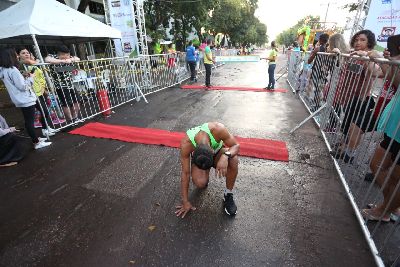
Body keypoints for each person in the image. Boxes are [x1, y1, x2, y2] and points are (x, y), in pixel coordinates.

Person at [330, 30, 382, 163]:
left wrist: (365, 57)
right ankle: (343, 147)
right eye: (357, 39)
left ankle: (349, 154)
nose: (358, 42)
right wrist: (336, 51)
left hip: (361, 99)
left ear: (369, 42)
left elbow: (376, 72)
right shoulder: (353, 54)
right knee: (346, 125)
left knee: (354, 127)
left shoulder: (369, 56)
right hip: (349, 97)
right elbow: (342, 59)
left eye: (363, 40)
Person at [362, 48, 400, 222]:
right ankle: (390, 206)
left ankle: (386, 209)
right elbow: (395, 81)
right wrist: (392, 62)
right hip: (395, 127)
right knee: (377, 165)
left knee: (396, 176)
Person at [175, 122, 240, 218]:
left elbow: (236, 145)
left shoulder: (218, 129)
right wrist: (185, 201)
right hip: (202, 156)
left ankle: (228, 194)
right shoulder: (186, 144)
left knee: (233, 160)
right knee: (200, 183)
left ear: (211, 150)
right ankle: (202, 168)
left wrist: (225, 156)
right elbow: (185, 173)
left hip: (219, 153)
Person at [0, 48, 51, 150]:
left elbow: (15, 83)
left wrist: (23, 76)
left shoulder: (3, 70)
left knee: (29, 121)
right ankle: (36, 142)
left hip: (19, 99)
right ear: (10, 57)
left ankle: (36, 139)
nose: (17, 56)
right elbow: (23, 87)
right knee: (29, 122)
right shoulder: (13, 70)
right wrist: (31, 78)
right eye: (16, 55)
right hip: (25, 99)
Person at [18, 47, 56, 137]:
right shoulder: (20, 65)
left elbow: (40, 77)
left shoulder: (33, 64)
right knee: (44, 112)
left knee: (45, 111)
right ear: (18, 55)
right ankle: (43, 130)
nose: (26, 54)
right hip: (31, 93)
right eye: (23, 53)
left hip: (40, 91)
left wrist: (44, 89)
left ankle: (46, 128)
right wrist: (35, 62)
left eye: (27, 52)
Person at [45, 45, 81, 123]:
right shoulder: (53, 57)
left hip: (70, 84)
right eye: (63, 54)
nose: (66, 56)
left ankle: (75, 118)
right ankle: (70, 120)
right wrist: (61, 61)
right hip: (60, 86)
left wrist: (71, 59)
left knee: (77, 101)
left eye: (67, 54)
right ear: (58, 54)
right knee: (66, 103)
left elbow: (77, 59)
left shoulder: (69, 57)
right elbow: (47, 59)